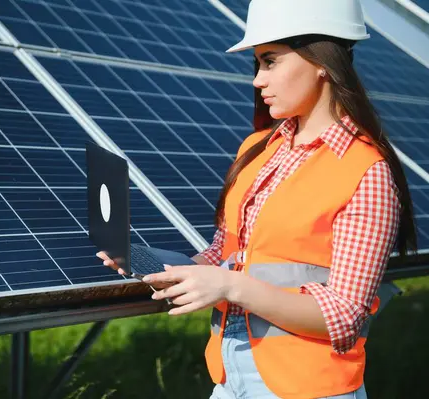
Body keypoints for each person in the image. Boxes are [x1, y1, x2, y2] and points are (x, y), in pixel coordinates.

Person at [97, 0, 418, 397]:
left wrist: (231, 287)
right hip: (229, 375)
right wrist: (151, 262)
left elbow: (343, 317)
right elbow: (224, 255)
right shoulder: (258, 149)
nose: (257, 80)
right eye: (258, 64)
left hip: (308, 385)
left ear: (322, 60)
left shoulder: (365, 172)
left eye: (271, 62)